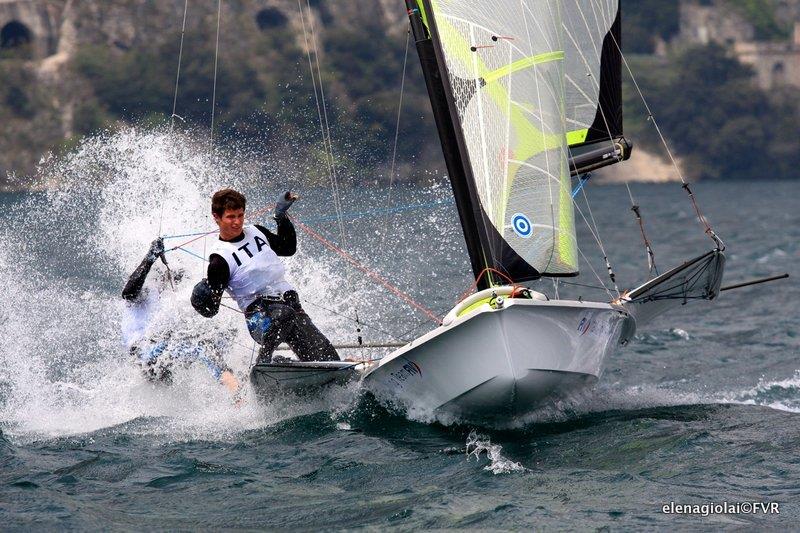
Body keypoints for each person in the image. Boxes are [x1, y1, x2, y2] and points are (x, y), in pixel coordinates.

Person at [190, 188, 339, 366]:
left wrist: (281, 216)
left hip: (291, 307)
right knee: (284, 315)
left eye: (240, 215)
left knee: (329, 361)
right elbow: (211, 310)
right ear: (216, 217)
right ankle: (263, 364)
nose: (237, 222)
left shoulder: (256, 232)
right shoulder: (219, 261)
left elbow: (288, 248)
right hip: (260, 320)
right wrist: (200, 297)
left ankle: (288, 367)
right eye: (231, 217)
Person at [122, 237, 241, 395]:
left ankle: (236, 375)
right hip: (144, 357)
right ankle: (237, 393)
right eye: (172, 275)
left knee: (217, 335)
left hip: (164, 360)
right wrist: (150, 258)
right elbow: (128, 293)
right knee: (203, 345)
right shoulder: (142, 293)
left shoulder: (167, 302)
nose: (175, 278)